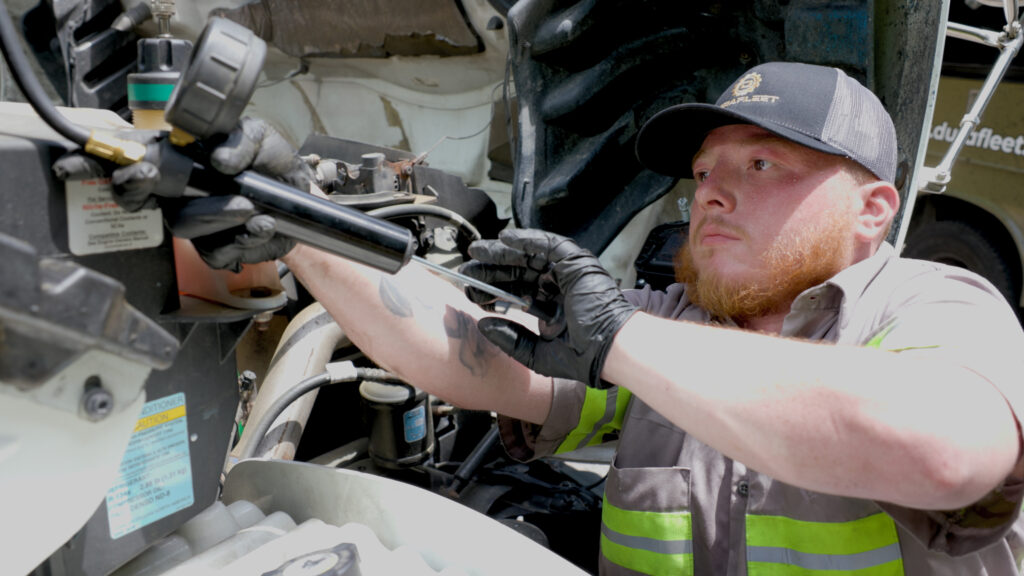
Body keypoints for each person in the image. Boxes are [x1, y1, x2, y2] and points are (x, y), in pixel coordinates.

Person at [56, 61, 1024, 575]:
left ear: (872, 212)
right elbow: (468, 359)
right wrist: (289, 226)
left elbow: (942, 451)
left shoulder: (934, 308)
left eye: (760, 167)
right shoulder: (678, 326)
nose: (711, 196)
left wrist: (619, 339)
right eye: (700, 175)